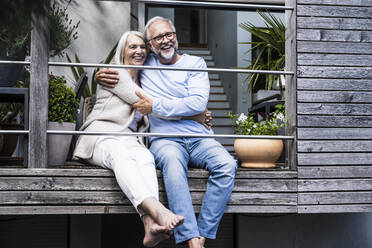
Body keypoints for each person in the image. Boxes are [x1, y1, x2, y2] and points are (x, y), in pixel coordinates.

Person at [96, 17, 237, 248]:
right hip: (165, 140)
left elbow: (197, 103)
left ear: (176, 36)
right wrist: (99, 72)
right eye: (158, 38)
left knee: (227, 165)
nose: (165, 40)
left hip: (199, 137)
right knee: (172, 165)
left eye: (168, 34)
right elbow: (123, 66)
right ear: (151, 45)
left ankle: (201, 235)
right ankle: (192, 241)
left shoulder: (196, 64)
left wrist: (156, 106)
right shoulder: (146, 63)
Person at [73, 31, 186, 247]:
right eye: (132, 47)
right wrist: (192, 111)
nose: (139, 51)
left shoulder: (145, 77)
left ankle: (149, 226)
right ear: (122, 51)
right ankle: (158, 210)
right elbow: (146, 102)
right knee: (120, 156)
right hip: (102, 135)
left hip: (129, 138)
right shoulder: (115, 72)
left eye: (142, 47)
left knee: (145, 157)